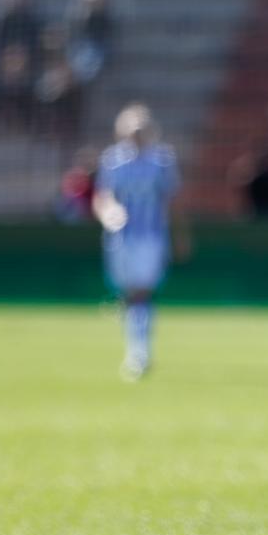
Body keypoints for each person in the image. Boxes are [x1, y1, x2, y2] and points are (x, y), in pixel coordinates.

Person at [92, 103, 189, 381]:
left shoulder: (161, 160)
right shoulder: (113, 160)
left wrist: (180, 236)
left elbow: (173, 201)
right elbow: (102, 196)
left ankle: (139, 353)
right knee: (126, 294)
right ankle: (136, 338)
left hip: (150, 236)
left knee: (141, 293)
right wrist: (108, 211)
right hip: (120, 238)